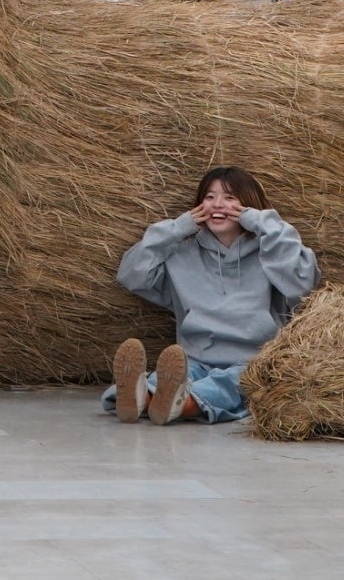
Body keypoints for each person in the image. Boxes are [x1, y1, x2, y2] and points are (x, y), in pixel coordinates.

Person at [104, 166, 320, 425]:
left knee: (235, 383)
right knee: (173, 377)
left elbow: (303, 283)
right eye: (209, 197)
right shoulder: (182, 254)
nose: (217, 204)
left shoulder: (271, 255)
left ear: (249, 205)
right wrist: (178, 227)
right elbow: (131, 274)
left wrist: (263, 222)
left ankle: (165, 402)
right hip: (196, 358)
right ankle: (147, 396)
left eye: (229, 197)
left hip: (254, 360)